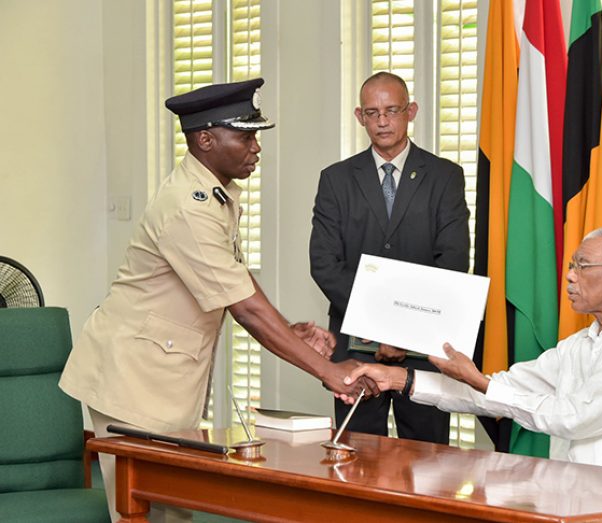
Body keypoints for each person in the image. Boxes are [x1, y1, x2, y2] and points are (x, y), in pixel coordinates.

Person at [59, 78, 376, 522]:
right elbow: (243, 307)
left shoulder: (214, 196)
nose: (256, 148)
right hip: (131, 380)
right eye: (245, 136)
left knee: (172, 507)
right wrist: (330, 371)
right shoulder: (188, 207)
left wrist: (288, 330)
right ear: (206, 139)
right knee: (143, 509)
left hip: (161, 377)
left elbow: (236, 279)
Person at [343, 227, 602, 478]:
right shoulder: (578, 345)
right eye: (572, 266)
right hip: (579, 492)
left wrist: (483, 384)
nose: (570, 277)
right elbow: (498, 391)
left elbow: (576, 417)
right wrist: (400, 379)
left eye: (582, 266)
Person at [309, 72, 470, 444]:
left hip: (424, 348)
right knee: (357, 457)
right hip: (356, 346)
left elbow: (453, 261)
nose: (382, 121)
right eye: (372, 112)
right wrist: (380, 328)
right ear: (359, 116)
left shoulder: (445, 176)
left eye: (392, 110)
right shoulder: (335, 179)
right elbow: (324, 263)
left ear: (410, 111)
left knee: (428, 461)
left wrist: (404, 333)